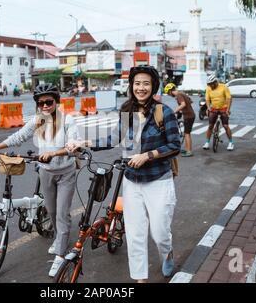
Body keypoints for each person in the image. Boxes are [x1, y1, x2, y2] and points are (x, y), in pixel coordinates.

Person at [67, 65, 181, 282]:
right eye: (137, 83)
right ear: (131, 86)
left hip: (159, 180)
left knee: (159, 232)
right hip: (132, 180)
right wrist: (85, 143)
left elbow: (175, 146)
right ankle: (140, 278)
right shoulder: (127, 111)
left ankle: (167, 253)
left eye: (146, 83)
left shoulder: (163, 112)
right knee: (136, 234)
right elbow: (114, 138)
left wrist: (147, 155)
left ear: (153, 86)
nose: (141, 87)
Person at [0, 83, 79, 277]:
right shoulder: (37, 121)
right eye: (41, 103)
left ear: (56, 101)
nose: (45, 106)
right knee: (52, 210)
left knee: (62, 214)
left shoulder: (68, 121)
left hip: (66, 173)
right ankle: (59, 239)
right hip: (45, 172)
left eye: (49, 102)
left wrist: (53, 153)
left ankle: (60, 255)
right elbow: (19, 136)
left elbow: (72, 146)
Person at [202, 74, 234, 151]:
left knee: (226, 126)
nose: (210, 86)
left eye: (211, 84)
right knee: (210, 126)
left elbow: (229, 98)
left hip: (223, 108)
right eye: (209, 85)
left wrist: (228, 109)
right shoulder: (209, 88)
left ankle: (231, 142)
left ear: (215, 82)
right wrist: (209, 108)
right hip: (214, 108)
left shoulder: (223, 87)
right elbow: (207, 99)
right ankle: (207, 142)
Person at [164, 83, 196, 157]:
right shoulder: (182, 94)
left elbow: (183, 104)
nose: (169, 95)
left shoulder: (178, 95)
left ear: (170, 91)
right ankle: (187, 148)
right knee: (186, 133)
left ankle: (189, 151)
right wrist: (182, 111)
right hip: (190, 115)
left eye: (168, 93)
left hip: (188, 116)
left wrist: (174, 111)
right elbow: (190, 101)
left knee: (187, 133)